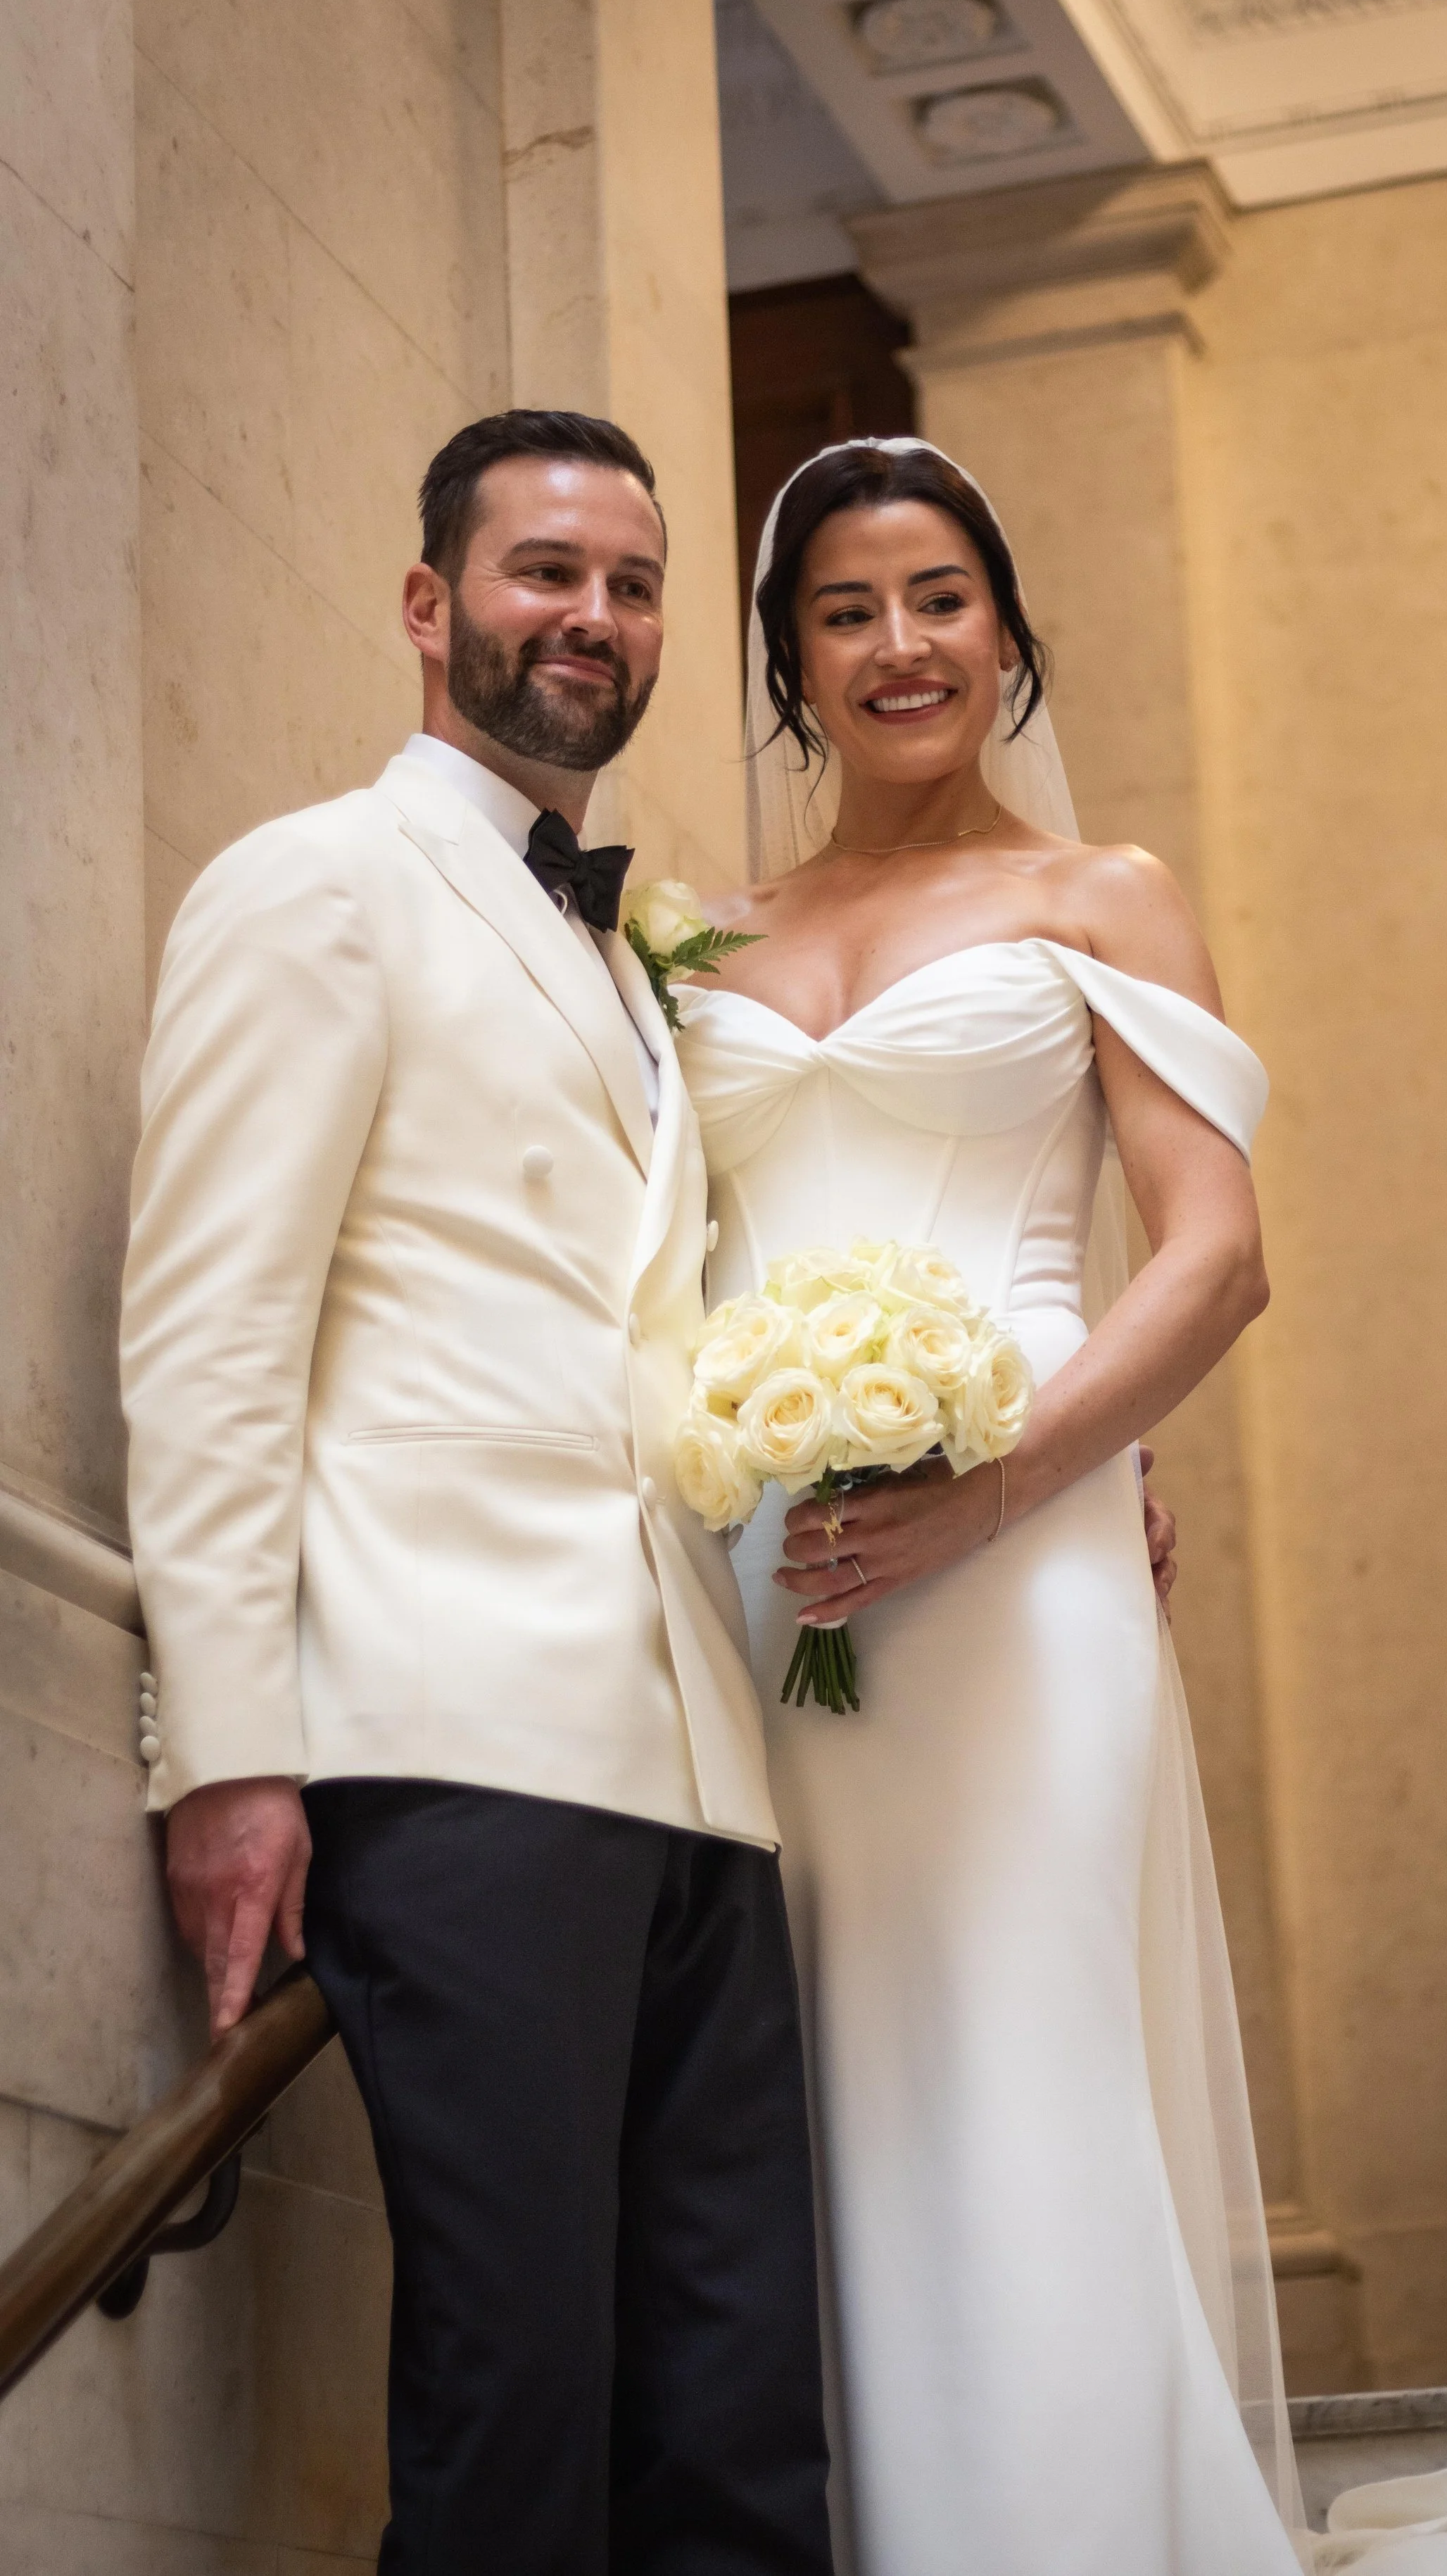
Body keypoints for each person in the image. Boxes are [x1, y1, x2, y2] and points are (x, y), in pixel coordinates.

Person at [673, 440, 1447, 2576]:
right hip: (766, 1570)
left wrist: (986, 1492)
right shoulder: (696, 931)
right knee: (806, 2089)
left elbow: (1213, 1253)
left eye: (939, 598)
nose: (899, 644)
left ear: (1006, 630)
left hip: (1017, 1565)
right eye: (844, 610)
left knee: (1016, 2046)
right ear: (790, 659)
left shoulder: (1102, 896)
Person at [120, 409, 835, 2576]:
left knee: (732, 2407)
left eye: (627, 582)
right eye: (543, 570)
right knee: (512, 2393)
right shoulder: (314, 882)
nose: (590, 617)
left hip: (694, 1760)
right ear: (431, 605)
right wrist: (227, 1749)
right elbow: (208, 1331)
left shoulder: (641, 968)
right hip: (452, 1741)